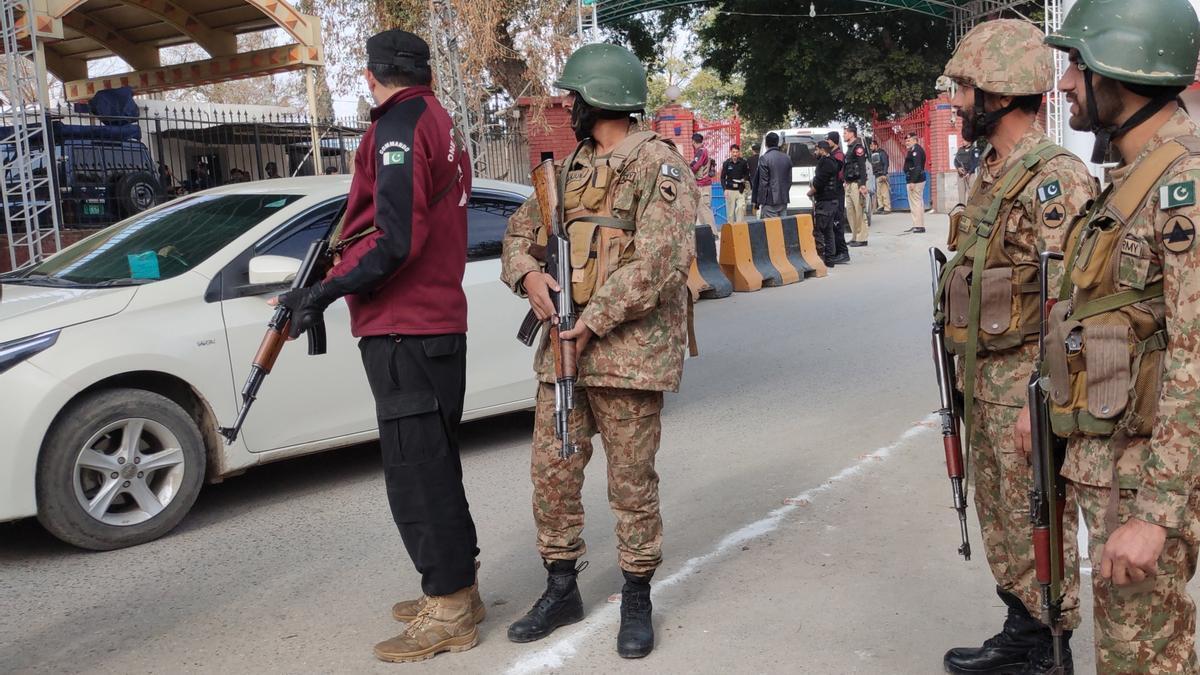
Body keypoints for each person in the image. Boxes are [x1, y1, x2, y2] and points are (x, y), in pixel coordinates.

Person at [273, 28, 480, 664]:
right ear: (424, 72)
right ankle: (456, 589)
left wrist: (327, 291)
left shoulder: (398, 126)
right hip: (429, 325)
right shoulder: (435, 118)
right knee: (432, 463)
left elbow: (394, 241)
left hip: (405, 326)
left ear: (371, 76)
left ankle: (450, 606)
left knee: (416, 473)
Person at [500, 42, 697, 659]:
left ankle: (636, 595)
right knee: (553, 471)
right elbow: (518, 235)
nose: (569, 109)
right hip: (563, 350)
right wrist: (527, 277)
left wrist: (595, 319)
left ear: (598, 99)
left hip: (626, 353)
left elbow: (660, 262)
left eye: (574, 99)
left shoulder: (658, 167)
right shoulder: (565, 173)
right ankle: (562, 587)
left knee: (631, 481)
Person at [1020, 2, 1200, 672]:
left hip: (1145, 481)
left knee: (1143, 660)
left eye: (1077, 64)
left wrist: (1154, 513)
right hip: (1111, 466)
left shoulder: (1182, 184)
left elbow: (1196, 353)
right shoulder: (1134, 181)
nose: (1065, 83)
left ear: (1119, 72)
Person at [936, 19, 1097, 675]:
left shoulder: (1054, 180)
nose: (959, 101)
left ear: (998, 94)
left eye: (966, 89)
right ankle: (1024, 631)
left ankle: (1049, 649)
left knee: (1037, 524)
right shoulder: (994, 171)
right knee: (1003, 520)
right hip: (985, 379)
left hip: (1023, 383)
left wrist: (1046, 399)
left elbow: (1071, 301)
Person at [808, 140, 843, 267]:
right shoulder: (833, 161)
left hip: (825, 202)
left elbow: (819, 182)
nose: (815, 152)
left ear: (822, 150)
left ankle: (822, 258)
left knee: (820, 231)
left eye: (816, 149)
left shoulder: (824, 162)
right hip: (832, 201)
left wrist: (810, 192)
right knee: (829, 231)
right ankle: (829, 259)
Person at [842, 123, 870, 247]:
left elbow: (862, 167)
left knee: (859, 211)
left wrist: (862, 184)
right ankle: (854, 236)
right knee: (850, 212)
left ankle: (862, 237)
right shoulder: (849, 148)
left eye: (845, 132)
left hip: (856, 183)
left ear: (852, 133)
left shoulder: (858, 148)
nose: (844, 135)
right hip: (848, 184)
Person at [756, 132, 792, 218]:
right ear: (777, 142)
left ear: (766, 143)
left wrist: (759, 201)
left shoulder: (764, 158)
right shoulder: (787, 157)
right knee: (783, 227)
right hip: (783, 199)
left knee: (772, 229)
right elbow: (789, 180)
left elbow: (763, 183)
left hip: (769, 201)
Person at [690, 132, 716, 228]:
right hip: (702, 185)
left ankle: (712, 234)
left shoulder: (701, 151)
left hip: (703, 186)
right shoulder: (702, 151)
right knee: (701, 211)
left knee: (705, 211)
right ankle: (708, 234)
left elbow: (695, 167)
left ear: (693, 141)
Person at [903, 132, 927, 233]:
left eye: (908, 140)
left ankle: (919, 226)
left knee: (916, 203)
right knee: (917, 203)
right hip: (915, 179)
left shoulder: (916, 151)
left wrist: (912, 181)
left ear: (914, 140)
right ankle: (918, 224)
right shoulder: (912, 150)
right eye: (906, 141)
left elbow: (917, 167)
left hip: (916, 180)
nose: (906, 143)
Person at [720, 144, 751, 221]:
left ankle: (739, 228)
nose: (735, 154)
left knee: (740, 208)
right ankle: (731, 230)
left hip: (740, 190)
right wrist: (725, 189)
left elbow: (747, 175)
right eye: (733, 152)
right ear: (731, 152)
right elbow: (722, 177)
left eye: (737, 152)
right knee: (730, 214)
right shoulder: (726, 163)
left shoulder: (743, 162)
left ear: (739, 152)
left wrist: (744, 179)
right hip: (730, 190)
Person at [869, 138, 891, 213]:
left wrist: (884, 174)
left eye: (872, 146)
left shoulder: (882, 152)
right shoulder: (873, 154)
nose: (871, 147)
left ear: (876, 145)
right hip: (876, 175)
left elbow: (886, 163)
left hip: (882, 174)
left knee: (884, 192)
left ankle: (887, 208)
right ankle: (881, 206)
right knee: (879, 192)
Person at [746, 142, 762, 212]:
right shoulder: (762, 158)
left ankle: (754, 210)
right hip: (761, 178)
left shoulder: (749, 159)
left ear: (753, 150)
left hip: (753, 178)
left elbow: (747, 170)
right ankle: (760, 208)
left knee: (754, 193)